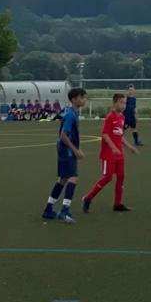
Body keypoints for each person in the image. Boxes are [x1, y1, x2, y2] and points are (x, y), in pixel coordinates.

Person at [83, 93, 140, 213]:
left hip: (119, 154)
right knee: (107, 177)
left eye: (124, 103)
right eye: (121, 102)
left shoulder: (122, 117)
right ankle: (88, 198)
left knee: (121, 177)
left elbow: (120, 135)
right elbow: (104, 134)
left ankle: (117, 204)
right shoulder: (110, 117)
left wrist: (130, 147)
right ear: (114, 103)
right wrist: (113, 147)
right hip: (109, 153)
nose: (123, 105)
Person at [41, 87, 87, 223]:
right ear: (74, 99)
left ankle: (48, 209)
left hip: (65, 150)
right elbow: (63, 135)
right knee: (73, 177)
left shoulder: (73, 113)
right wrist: (75, 150)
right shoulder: (70, 115)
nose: (84, 100)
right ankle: (64, 210)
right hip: (67, 151)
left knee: (62, 179)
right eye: (82, 97)